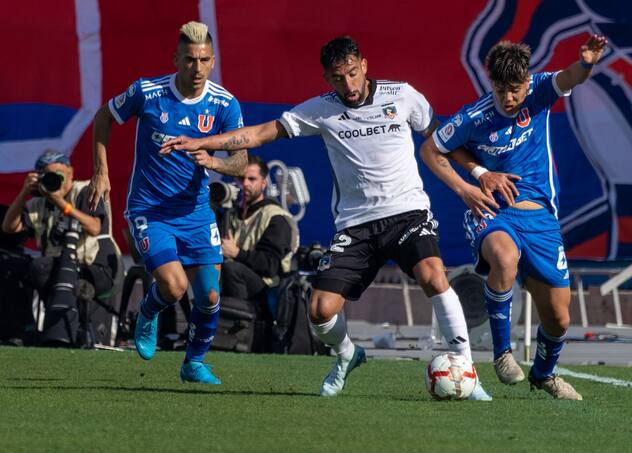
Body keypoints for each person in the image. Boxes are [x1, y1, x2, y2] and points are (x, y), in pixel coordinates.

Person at [161, 36, 491, 400]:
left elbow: (441, 140)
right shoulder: (321, 109)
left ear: (364, 65)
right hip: (356, 225)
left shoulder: (403, 96)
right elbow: (259, 133)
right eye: (337, 78)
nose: (348, 84)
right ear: (327, 78)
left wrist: (473, 178)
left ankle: (468, 371)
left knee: (433, 275)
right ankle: (348, 354)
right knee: (319, 310)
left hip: (407, 213)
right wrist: (205, 142)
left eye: (352, 73)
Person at [420, 34, 609, 401]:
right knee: (504, 258)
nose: (509, 97)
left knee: (559, 317)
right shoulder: (475, 116)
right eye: (501, 89)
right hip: (492, 212)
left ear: (526, 81)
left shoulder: (539, 91)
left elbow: (570, 76)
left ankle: (544, 374)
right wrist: (471, 184)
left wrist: (586, 63)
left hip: (540, 219)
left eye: (515, 89)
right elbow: (431, 149)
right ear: (491, 82)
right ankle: (502, 353)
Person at [88, 21, 247, 384]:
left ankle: (193, 363)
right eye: (190, 60)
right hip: (150, 210)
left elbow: (241, 161)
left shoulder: (224, 103)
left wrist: (215, 162)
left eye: (204, 60)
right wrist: (101, 171)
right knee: (174, 287)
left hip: (196, 212)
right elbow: (103, 117)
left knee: (209, 294)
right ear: (176, 59)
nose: (197, 68)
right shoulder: (147, 92)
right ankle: (147, 312)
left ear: (213, 61)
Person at [1, 150, 120, 320]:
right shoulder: (37, 204)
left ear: (70, 173)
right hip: (56, 267)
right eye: (48, 176)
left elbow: (95, 228)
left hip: (94, 268)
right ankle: (24, 327)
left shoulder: (84, 190)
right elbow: (9, 227)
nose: (54, 180)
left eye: (59, 175)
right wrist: (24, 193)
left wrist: (61, 203)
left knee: (41, 267)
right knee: (14, 266)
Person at [218, 155, 299, 308]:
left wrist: (236, 253)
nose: (245, 184)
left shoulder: (275, 217)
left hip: (267, 291)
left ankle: (239, 320)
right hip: (233, 284)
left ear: (263, 183)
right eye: (241, 179)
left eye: (252, 179)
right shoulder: (231, 213)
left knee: (232, 269)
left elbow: (271, 266)